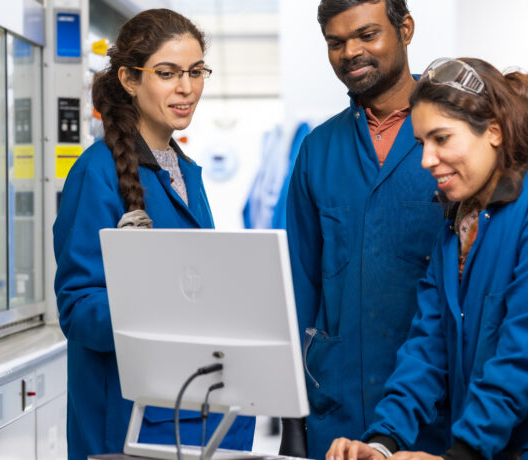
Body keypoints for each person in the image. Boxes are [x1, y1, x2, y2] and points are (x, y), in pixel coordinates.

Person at [326, 57, 528, 460]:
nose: (427, 159)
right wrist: (383, 441)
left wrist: (461, 454)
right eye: (421, 143)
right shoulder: (461, 219)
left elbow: (524, 353)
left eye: (441, 139)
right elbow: (429, 347)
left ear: (494, 132)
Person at [53, 9, 254, 459]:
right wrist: (159, 306)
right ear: (129, 78)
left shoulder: (185, 171)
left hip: (188, 410)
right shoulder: (97, 170)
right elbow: (78, 309)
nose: (187, 88)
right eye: (167, 73)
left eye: (196, 72)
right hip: (125, 420)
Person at [282, 0, 448, 457]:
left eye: (367, 35)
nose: (350, 51)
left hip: (433, 411)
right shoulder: (318, 149)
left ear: (405, 29)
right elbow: (298, 287)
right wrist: (291, 413)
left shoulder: (451, 139)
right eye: (336, 42)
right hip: (335, 411)